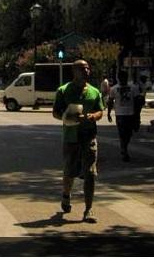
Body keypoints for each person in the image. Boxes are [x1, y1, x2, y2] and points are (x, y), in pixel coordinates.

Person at [52, 59, 104, 223]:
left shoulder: (95, 91)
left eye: (88, 68)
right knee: (69, 172)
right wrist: (68, 117)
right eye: (82, 68)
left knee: (90, 174)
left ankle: (88, 209)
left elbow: (100, 111)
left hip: (89, 137)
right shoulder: (64, 90)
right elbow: (55, 112)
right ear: (74, 71)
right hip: (71, 137)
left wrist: (93, 116)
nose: (86, 71)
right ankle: (66, 195)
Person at [107, 71, 138, 161]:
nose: (122, 79)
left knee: (129, 133)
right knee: (122, 133)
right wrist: (109, 113)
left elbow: (136, 101)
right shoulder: (114, 89)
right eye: (121, 77)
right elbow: (110, 101)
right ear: (118, 78)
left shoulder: (133, 88)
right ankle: (124, 150)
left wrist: (137, 114)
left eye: (124, 77)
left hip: (130, 113)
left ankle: (124, 146)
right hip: (120, 114)